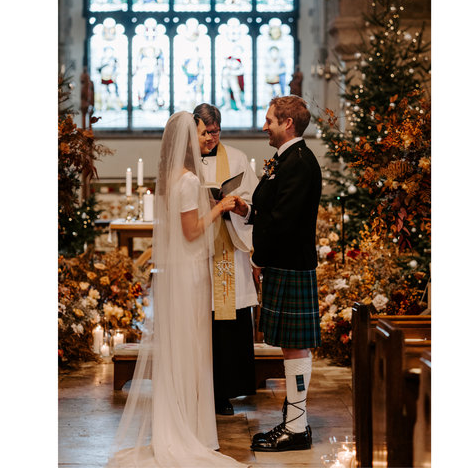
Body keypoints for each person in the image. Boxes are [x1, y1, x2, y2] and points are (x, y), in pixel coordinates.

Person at [107, 112, 245, 468]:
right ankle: (189, 430)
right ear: (186, 140)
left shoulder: (171, 178)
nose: (205, 141)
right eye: (199, 136)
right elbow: (191, 231)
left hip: (182, 272)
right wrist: (220, 206)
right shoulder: (185, 181)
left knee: (185, 348)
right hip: (189, 275)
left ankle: (187, 424)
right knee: (191, 349)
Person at [228, 95, 322, 452]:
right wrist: (247, 209)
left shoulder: (299, 162)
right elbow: (271, 210)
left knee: (295, 347)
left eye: (269, 120)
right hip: (284, 262)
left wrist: (258, 258)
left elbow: (283, 222)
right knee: (290, 346)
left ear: (288, 124)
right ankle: (294, 423)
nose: (264, 125)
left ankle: (297, 429)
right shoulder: (286, 160)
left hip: (290, 262)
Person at [193, 103, 259, 417]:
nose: (211, 138)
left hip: (228, 248)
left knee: (228, 323)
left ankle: (225, 391)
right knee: (200, 321)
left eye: (215, 131)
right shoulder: (186, 161)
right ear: (194, 131)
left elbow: (253, 203)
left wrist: (238, 206)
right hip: (196, 250)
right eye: (206, 133)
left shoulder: (236, 158)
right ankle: (197, 388)